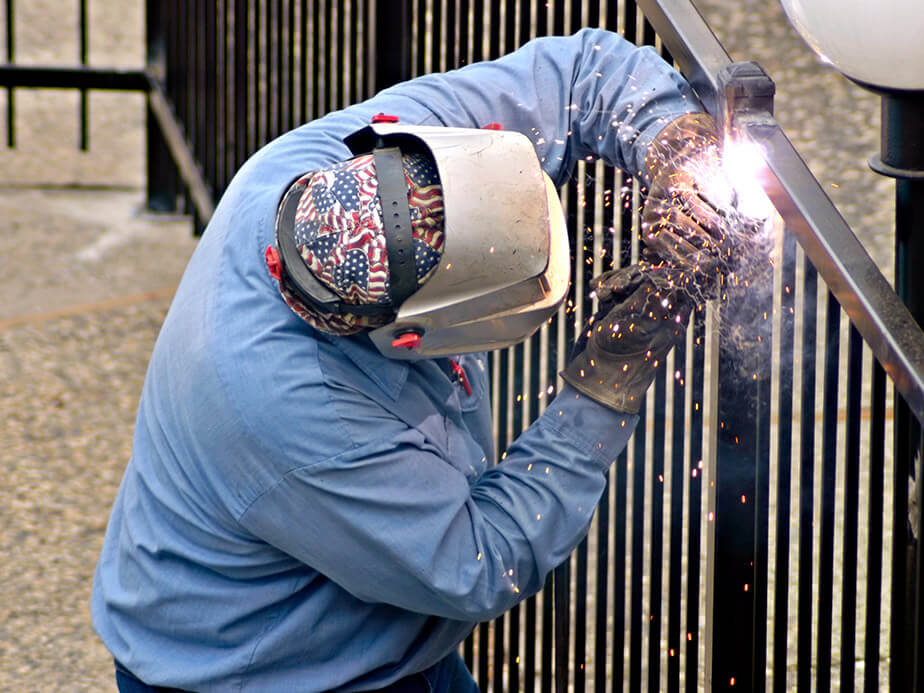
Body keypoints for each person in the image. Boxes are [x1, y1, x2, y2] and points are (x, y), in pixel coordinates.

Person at [91, 27, 737, 692]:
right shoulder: (300, 414)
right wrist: (608, 376)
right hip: (257, 671)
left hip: (368, 636)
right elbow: (481, 559)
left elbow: (579, 73)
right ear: (408, 338)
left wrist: (676, 151)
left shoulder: (339, 158)